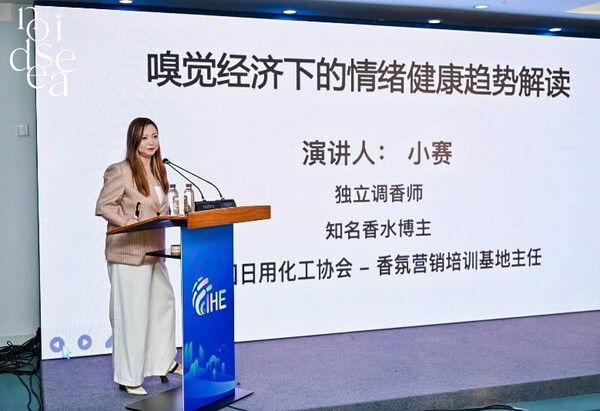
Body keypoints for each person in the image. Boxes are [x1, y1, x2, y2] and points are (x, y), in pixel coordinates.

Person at [95, 117, 182, 395]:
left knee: (163, 305)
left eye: (155, 136)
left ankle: (162, 361)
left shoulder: (159, 170)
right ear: (134, 139)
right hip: (128, 252)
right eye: (145, 137)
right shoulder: (119, 171)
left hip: (154, 250)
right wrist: (126, 222)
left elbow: (157, 209)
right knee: (131, 315)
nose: (151, 142)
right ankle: (130, 376)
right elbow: (104, 206)